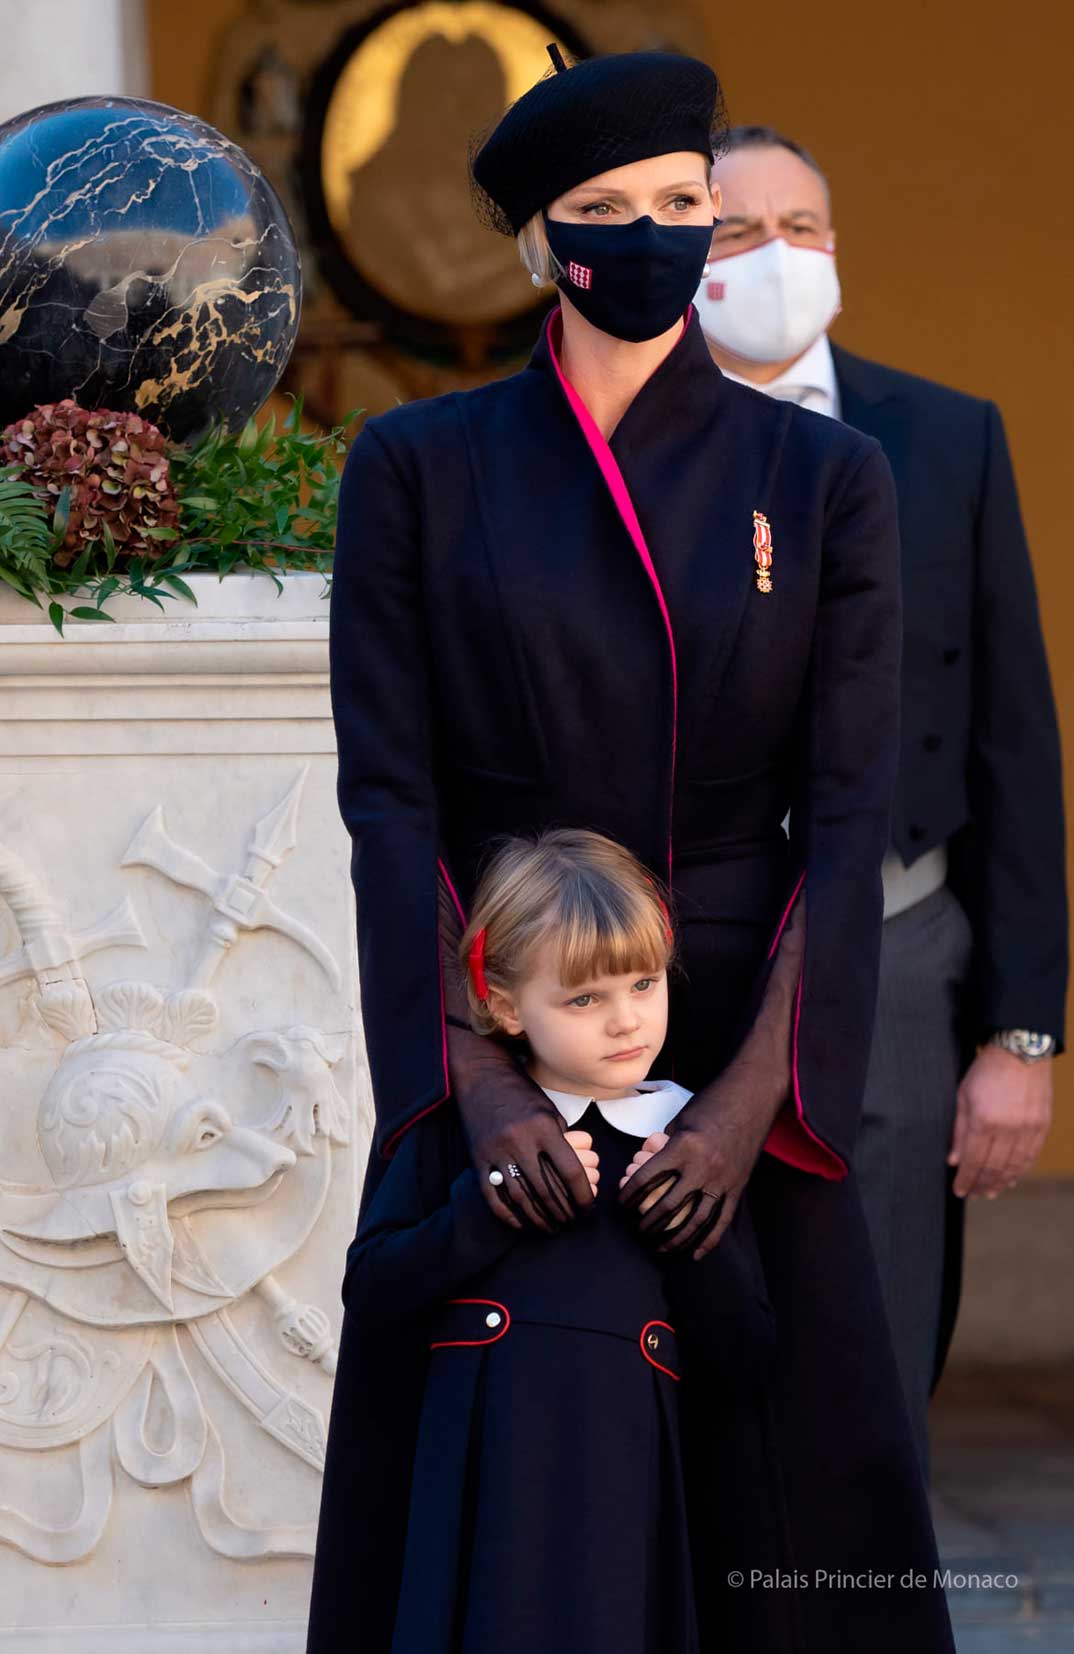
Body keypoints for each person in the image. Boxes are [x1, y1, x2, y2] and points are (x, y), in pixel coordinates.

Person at [309, 47, 956, 1653]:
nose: (658, 235)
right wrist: (482, 1084)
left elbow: (850, 810)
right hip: (507, 1026)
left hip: (738, 1039)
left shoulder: (823, 478)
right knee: (510, 1499)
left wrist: (745, 1111)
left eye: (685, 204)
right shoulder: (418, 468)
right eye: (608, 209)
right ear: (541, 242)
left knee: (790, 1512)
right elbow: (390, 803)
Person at [696, 126, 1068, 1478]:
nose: (778, 256)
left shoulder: (949, 436)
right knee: (686, 1364)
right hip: (682, 954)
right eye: (736, 233)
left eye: (805, 226)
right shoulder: (608, 442)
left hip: (904, 957)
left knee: (875, 1363)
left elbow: (1012, 748)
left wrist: (1019, 1035)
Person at [341, 826, 790, 1651]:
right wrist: (480, 1212)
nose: (626, 1022)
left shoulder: (691, 1143)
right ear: (507, 1006)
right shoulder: (459, 1132)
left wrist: (686, 1229)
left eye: (643, 984)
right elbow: (372, 1291)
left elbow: (747, 1350)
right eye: (584, 999)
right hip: (484, 1485)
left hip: (629, 1493)